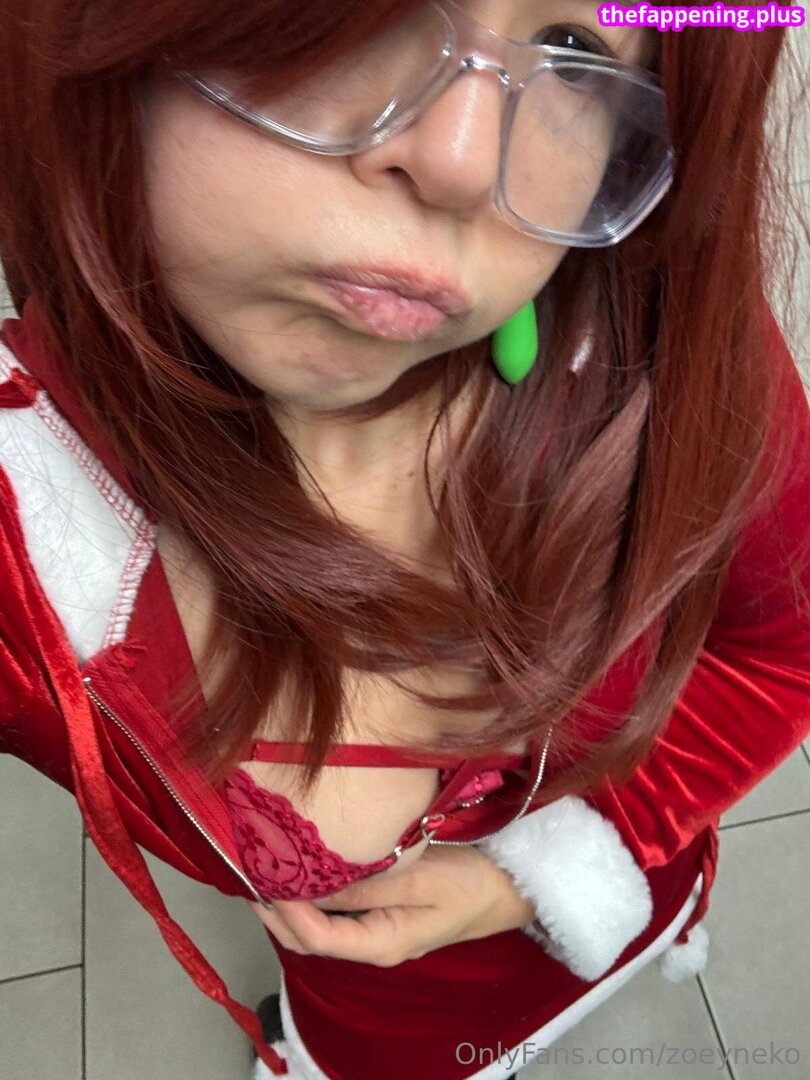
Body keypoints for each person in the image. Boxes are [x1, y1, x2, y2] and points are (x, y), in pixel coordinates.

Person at [0, 1, 808, 1078]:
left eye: (576, 55)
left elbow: (779, 648)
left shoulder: (665, 356)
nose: (464, 159)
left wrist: (554, 866)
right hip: (376, 1034)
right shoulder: (29, 533)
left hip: (624, 915)